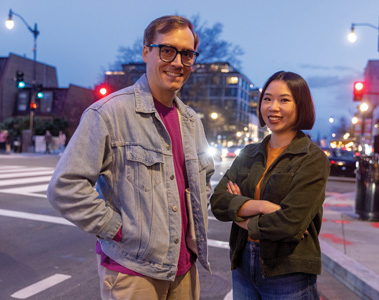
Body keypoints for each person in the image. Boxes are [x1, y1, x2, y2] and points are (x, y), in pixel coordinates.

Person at [47, 15, 214, 300]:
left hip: (185, 268)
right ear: (146, 52)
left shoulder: (191, 121)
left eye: (187, 54)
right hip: (133, 271)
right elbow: (65, 187)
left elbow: (204, 179)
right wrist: (118, 229)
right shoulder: (108, 114)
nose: (177, 62)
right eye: (167, 50)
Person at [210, 71, 330, 299]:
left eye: (284, 100)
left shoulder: (312, 159)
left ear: (300, 105)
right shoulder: (249, 153)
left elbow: (289, 224)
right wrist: (263, 205)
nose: (273, 107)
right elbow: (218, 202)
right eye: (267, 98)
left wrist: (238, 216)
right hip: (243, 262)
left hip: (288, 269)